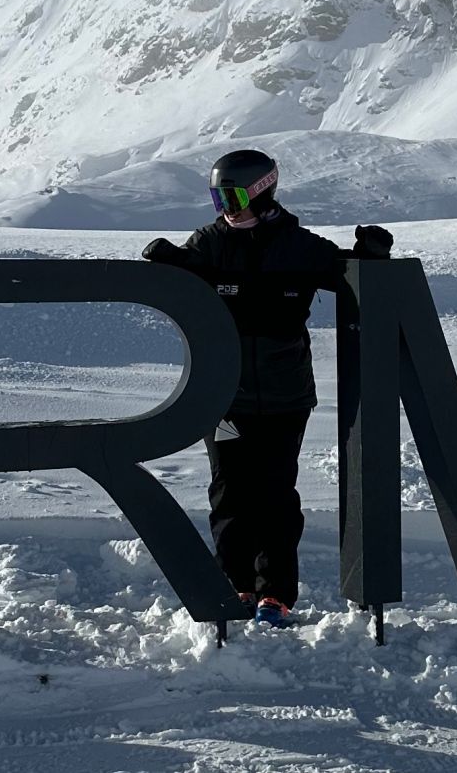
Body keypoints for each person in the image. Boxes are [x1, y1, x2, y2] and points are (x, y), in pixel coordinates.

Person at [141, 148, 393, 627]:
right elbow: (184, 275)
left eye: (233, 196)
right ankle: (233, 587)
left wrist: (371, 257)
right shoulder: (211, 243)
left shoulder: (297, 246)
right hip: (223, 397)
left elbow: (346, 276)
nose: (226, 209)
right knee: (229, 494)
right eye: (218, 199)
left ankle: (274, 594)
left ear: (262, 191)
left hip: (284, 397)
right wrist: (168, 264)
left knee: (276, 495)